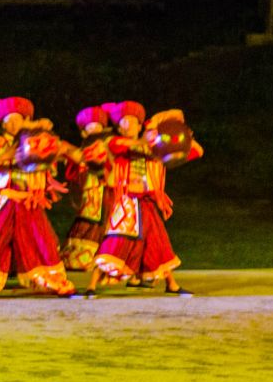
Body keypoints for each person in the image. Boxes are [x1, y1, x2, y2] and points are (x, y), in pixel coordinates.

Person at [0, 112, 76, 299]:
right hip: (8, 200)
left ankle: (54, 282)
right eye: (8, 120)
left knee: (42, 241)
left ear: (25, 120)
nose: (13, 123)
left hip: (30, 201)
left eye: (17, 119)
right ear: (3, 124)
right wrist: (6, 155)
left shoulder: (36, 139)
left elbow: (49, 164)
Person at [85, 102, 199, 296]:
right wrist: (154, 134)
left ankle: (171, 284)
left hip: (147, 202)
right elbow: (125, 145)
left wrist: (180, 134)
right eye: (124, 123)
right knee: (114, 241)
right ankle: (91, 285)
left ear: (140, 126)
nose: (128, 126)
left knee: (158, 241)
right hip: (126, 202)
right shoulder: (116, 143)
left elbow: (196, 150)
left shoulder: (156, 147)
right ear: (119, 128)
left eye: (133, 122)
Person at [61, 105, 114, 272]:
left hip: (105, 190)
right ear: (84, 132)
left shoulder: (109, 146)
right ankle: (77, 257)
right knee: (87, 217)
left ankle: (103, 256)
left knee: (104, 219)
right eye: (90, 128)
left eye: (97, 127)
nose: (94, 130)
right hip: (89, 192)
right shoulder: (83, 149)